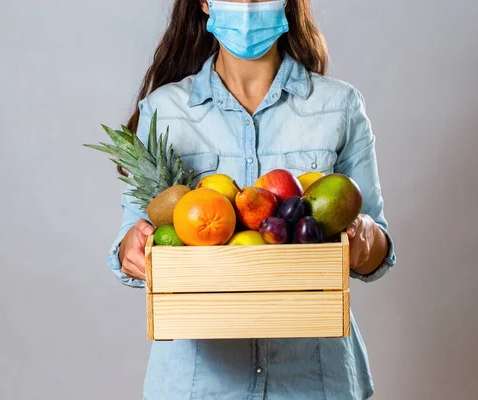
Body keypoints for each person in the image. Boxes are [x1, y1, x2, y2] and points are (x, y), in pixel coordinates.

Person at [107, 0, 396, 398]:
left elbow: (378, 247)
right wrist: (132, 247)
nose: (247, 4)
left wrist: (364, 237)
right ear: (205, 3)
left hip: (314, 381)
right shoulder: (165, 112)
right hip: (199, 385)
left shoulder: (339, 107)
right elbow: (130, 237)